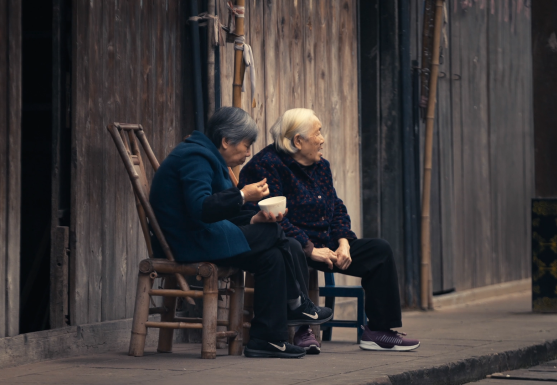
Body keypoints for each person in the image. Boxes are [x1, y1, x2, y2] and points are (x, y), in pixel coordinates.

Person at [149, 107, 332, 359]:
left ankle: (267, 339)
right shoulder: (195, 157)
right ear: (226, 141)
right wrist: (244, 194)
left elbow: (223, 211)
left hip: (205, 236)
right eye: (246, 146)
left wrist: (255, 217)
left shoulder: (210, 157)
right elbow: (201, 207)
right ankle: (297, 304)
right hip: (187, 242)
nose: (248, 153)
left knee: (274, 255)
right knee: (272, 233)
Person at [239, 108, 420, 352]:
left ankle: (379, 331)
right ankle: (303, 330)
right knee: (291, 247)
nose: (322, 139)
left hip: (327, 242)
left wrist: (344, 240)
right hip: (294, 244)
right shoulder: (266, 165)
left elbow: (335, 207)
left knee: (379, 251)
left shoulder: (321, 166)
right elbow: (272, 218)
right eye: (318, 133)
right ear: (298, 141)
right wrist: (311, 249)